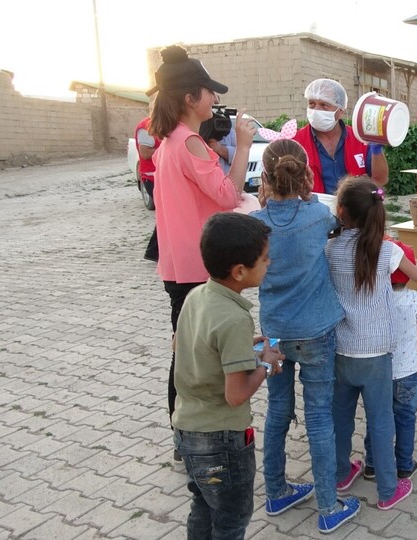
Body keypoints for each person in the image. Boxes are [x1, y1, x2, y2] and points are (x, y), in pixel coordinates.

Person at [147, 45, 257, 459]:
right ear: (190, 97)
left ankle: (183, 437)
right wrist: (243, 144)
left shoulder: (169, 139)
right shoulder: (190, 142)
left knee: (185, 352)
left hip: (178, 265)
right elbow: (228, 195)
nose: (215, 100)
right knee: (193, 360)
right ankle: (188, 440)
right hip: (196, 269)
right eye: (209, 92)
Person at [250, 139, 360, 533]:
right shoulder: (318, 215)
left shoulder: (255, 224)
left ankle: (277, 492)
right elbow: (339, 224)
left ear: (264, 176)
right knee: (319, 417)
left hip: (274, 334)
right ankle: (329, 506)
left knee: (277, 412)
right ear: (304, 174)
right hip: (317, 331)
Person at [171, 211, 284, 539]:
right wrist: (265, 364)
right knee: (232, 519)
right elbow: (235, 395)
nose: (269, 263)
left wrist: (243, 346)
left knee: (204, 508)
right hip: (221, 441)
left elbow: (186, 342)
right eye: (264, 259)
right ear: (239, 271)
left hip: (186, 430)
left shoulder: (197, 296)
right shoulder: (235, 318)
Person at [327, 176, 417, 511]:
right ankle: (386, 489)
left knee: (340, 417)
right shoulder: (387, 249)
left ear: (340, 211)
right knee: (381, 420)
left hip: (340, 349)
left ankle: (340, 473)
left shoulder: (330, 246)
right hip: (378, 353)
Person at [363, 239, 417, 480]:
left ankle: (372, 464)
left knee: (377, 417)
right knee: (405, 418)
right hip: (407, 372)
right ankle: (404, 464)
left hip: (377, 370)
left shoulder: (372, 298)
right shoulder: (415, 299)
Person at [292, 78, 388, 194]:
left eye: (324, 105)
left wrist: (376, 150)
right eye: (312, 104)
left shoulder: (359, 138)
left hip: (354, 208)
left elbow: (380, 180)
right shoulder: (296, 142)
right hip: (314, 209)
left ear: (340, 111)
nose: (316, 110)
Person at [135, 100, 161, 262]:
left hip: (159, 176)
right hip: (151, 176)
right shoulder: (146, 126)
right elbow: (145, 153)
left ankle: (154, 251)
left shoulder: (161, 125)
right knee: (166, 216)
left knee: (165, 217)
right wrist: (168, 150)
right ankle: (153, 251)